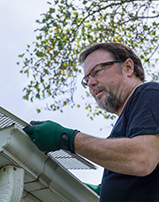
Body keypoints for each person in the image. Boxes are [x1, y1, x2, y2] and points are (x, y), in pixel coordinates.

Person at [24, 43, 159, 202]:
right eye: (86, 79)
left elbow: (141, 159)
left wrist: (67, 138)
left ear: (128, 67)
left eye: (97, 71)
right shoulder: (122, 131)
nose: (90, 83)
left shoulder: (148, 93)